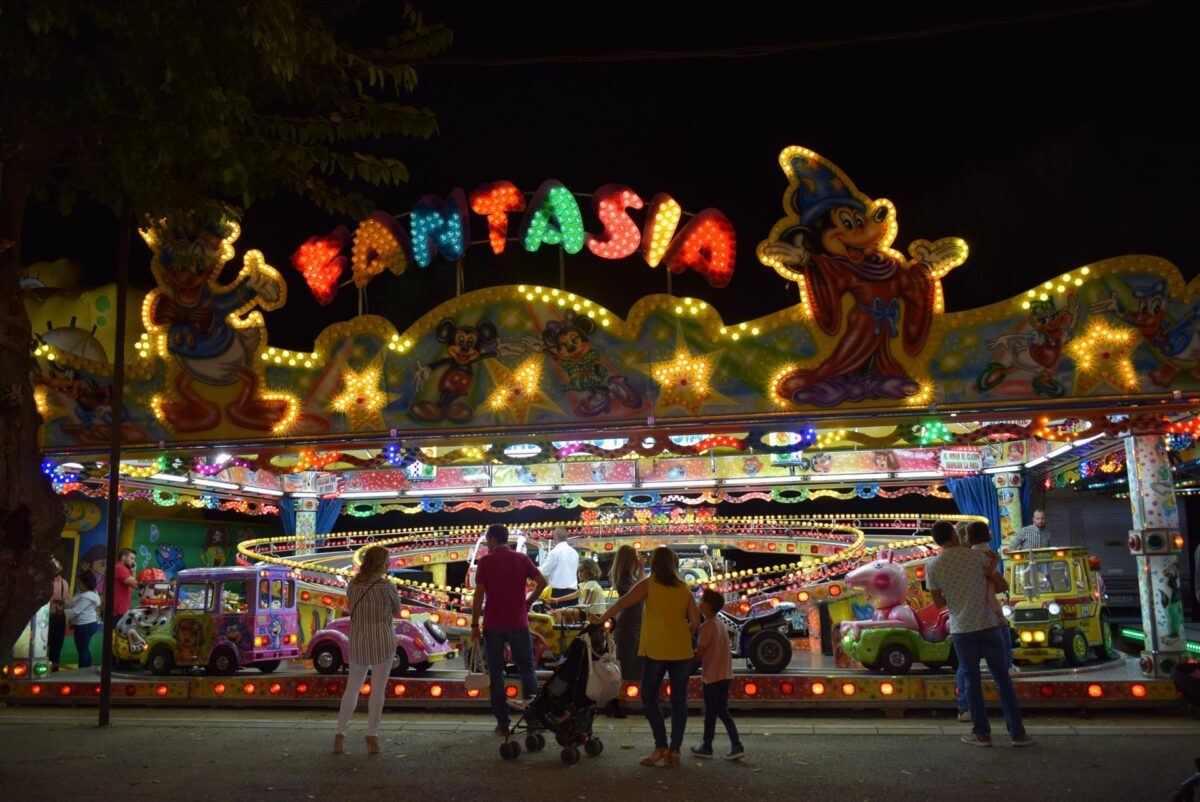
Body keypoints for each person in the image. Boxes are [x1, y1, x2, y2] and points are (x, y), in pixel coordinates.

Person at [927, 521, 1032, 748]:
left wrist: (956, 597)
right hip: (988, 624)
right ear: (955, 534)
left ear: (936, 541)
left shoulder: (933, 566)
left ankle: (982, 734)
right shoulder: (975, 557)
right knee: (1002, 679)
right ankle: (1018, 733)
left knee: (972, 680)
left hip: (962, 629)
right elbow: (1000, 584)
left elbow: (938, 602)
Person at [594, 546, 700, 767]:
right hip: (681, 652)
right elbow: (695, 621)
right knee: (679, 701)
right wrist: (682, 634)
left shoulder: (648, 584)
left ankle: (660, 746)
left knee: (649, 697)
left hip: (655, 650)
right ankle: (675, 750)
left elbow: (622, 603)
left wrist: (600, 619)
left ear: (656, 562)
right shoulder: (683, 588)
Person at [471, 524, 547, 736]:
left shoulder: (485, 562)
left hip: (493, 624)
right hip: (518, 623)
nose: (487, 544)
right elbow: (542, 581)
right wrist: (529, 601)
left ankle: (502, 722)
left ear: (493, 539)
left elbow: (479, 595)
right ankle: (532, 720)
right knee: (526, 669)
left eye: (487, 540)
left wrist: (474, 625)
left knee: (496, 673)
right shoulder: (522, 559)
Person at [334, 544, 403, 755]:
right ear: (382, 563)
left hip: (359, 640)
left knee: (352, 688)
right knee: (378, 689)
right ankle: (372, 735)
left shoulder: (353, 584)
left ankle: (339, 735)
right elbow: (397, 610)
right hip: (382, 640)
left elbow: (350, 606)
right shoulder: (386, 586)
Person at [691, 588, 745, 761]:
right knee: (721, 711)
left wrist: (684, 652)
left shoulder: (706, 626)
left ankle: (707, 747)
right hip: (725, 674)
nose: (699, 604)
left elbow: (699, 654)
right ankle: (736, 745)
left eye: (701, 602)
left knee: (711, 713)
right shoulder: (719, 623)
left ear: (707, 606)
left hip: (712, 676)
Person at [606, 545, 643, 719]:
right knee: (625, 666)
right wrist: (641, 570)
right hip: (628, 625)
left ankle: (620, 701)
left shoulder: (629, 576)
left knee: (631, 664)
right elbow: (635, 593)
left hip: (634, 623)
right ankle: (616, 702)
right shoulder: (624, 578)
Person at [548, 557, 605, 624]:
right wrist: (557, 599)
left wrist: (568, 607)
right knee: (564, 611)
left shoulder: (590, 584)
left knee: (557, 611)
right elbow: (574, 595)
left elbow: (585, 605)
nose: (579, 573)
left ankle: (561, 633)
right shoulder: (588, 583)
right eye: (578, 571)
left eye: (582, 571)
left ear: (589, 571)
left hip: (589, 614)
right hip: (589, 612)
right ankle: (567, 631)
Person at [66, 571, 101, 669]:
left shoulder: (87, 596)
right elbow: (71, 603)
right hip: (87, 624)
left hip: (84, 625)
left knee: (82, 649)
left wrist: (61, 613)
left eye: (79, 582)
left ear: (85, 584)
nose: (77, 584)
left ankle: (83, 670)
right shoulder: (83, 593)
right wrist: (63, 601)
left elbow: (76, 610)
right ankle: (88, 668)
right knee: (84, 649)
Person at [540, 526, 579, 602]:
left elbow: (544, 572)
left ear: (555, 537)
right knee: (570, 613)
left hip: (557, 593)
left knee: (555, 613)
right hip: (573, 593)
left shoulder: (555, 552)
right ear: (566, 538)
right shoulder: (574, 552)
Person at [47, 559, 69, 671]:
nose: (56, 567)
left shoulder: (64, 583)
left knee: (56, 647)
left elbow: (66, 600)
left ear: (61, 568)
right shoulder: (44, 582)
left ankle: (54, 670)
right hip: (46, 618)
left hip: (59, 617)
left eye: (58, 564)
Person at [113, 548, 138, 619]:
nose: (133, 561)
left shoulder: (123, 569)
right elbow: (136, 585)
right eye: (132, 558)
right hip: (118, 610)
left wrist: (133, 571)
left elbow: (131, 588)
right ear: (123, 557)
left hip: (122, 609)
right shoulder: (120, 568)